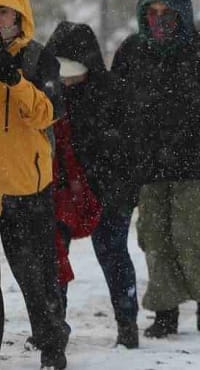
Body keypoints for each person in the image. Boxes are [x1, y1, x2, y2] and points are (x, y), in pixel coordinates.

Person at [112, 0, 200, 338]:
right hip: (148, 166)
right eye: (151, 13)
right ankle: (165, 311)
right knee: (155, 241)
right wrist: (122, 161)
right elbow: (117, 111)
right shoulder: (132, 52)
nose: (158, 20)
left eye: (166, 12)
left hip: (195, 166)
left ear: (181, 13)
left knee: (193, 238)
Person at [45, 22, 140, 350]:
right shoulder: (47, 96)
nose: (67, 82)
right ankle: (52, 326)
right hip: (62, 191)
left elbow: (130, 151)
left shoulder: (113, 95)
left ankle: (127, 322)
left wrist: (120, 193)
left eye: (73, 74)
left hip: (108, 191)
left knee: (113, 255)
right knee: (54, 260)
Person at [0, 0, 69, 368]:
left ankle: (52, 344)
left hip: (27, 186)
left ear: (19, 14)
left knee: (37, 277)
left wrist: (13, 79)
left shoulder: (38, 58)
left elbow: (49, 112)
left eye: (2, 12)